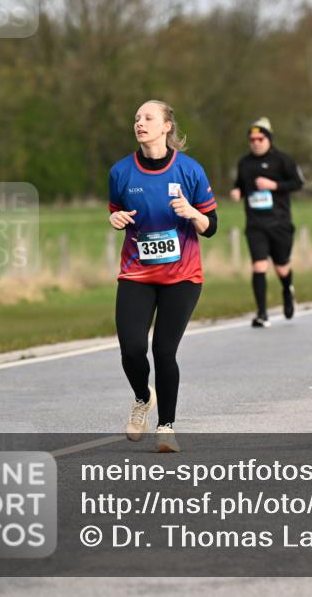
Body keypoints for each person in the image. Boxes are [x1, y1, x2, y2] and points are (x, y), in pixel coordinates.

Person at [109, 100, 218, 452]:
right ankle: (143, 398)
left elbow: (211, 226)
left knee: (163, 350)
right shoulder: (121, 172)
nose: (140, 122)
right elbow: (117, 210)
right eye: (137, 117)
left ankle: (166, 427)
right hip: (137, 273)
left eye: (148, 117)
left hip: (182, 276)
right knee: (131, 349)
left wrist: (191, 213)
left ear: (166, 126)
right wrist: (116, 219)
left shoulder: (189, 170)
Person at [230, 118, 304, 328]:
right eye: (252, 139)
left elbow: (298, 183)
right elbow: (240, 185)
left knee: (281, 267)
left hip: (279, 222)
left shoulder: (282, 160)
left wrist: (274, 184)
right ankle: (262, 313)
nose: (255, 142)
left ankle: (287, 291)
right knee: (259, 266)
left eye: (260, 138)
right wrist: (237, 191)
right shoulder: (244, 163)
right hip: (255, 224)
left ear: (268, 139)